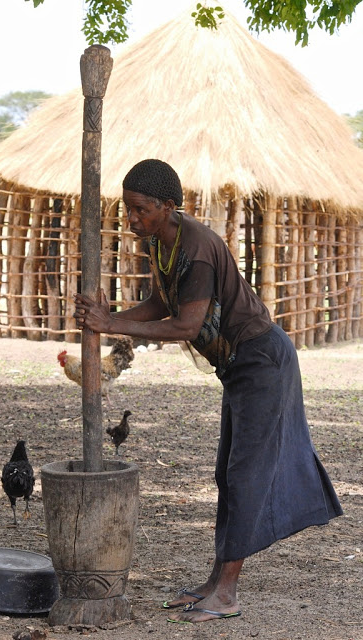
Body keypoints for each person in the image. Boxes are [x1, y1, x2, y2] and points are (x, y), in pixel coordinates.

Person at [74, 159, 343, 625]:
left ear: (168, 206)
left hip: (263, 362)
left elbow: (186, 324)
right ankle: (215, 583)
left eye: (140, 211)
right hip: (241, 367)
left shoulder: (195, 247)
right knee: (227, 473)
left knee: (245, 475)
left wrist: (110, 324)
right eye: (128, 211)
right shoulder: (165, 243)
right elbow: (164, 303)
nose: (132, 220)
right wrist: (111, 313)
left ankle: (227, 594)